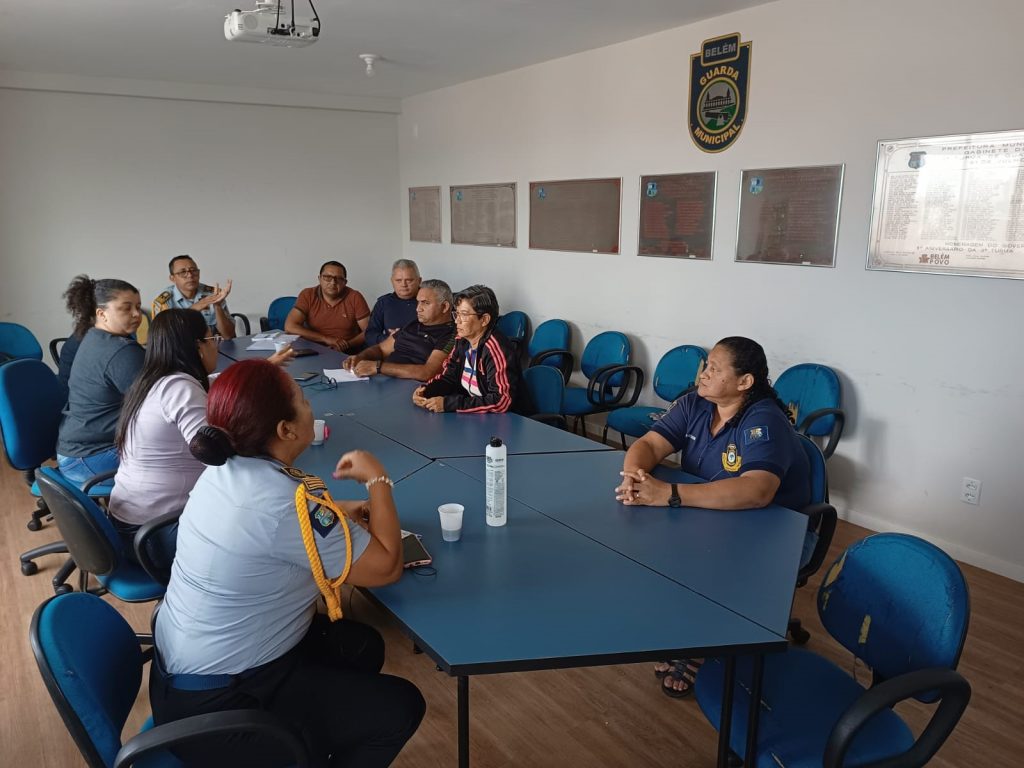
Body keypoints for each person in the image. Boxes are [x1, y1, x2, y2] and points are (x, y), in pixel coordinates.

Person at [151, 359, 425, 767]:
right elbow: (385, 568)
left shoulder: (223, 471)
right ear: (286, 430)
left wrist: (336, 515)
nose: (308, 403)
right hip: (221, 711)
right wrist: (378, 481)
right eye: (300, 398)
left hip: (182, 675)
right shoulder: (284, 507)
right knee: (401, 706)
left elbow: (280, 527)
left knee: (360, 646)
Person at [614, 336, 810, 698]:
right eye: (705, 366)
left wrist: (669, 494)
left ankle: (700, 645)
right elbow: (651, 445)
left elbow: (757, 491)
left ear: (744, 382)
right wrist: (634, 475)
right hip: (713, 513)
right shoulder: (696, 404)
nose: (703, 374)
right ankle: (688, 629)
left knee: (702, 557)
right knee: (659, 542)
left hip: (773, 528)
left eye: (715, 369)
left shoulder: (763, 420)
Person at [108, 309, 295, 558]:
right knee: (270, 530)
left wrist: (264, 365)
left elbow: (213, 381)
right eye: (213, 340)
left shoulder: (153, 380)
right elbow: (218, 457)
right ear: (198, 347)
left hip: (132, 520)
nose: (215, 347)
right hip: (157, 533)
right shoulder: (181, 389)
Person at [56, 276, 146, 485]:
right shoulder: (121, 350)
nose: (136, 314)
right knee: (180, 458)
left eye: (138, 307)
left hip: (73, 450)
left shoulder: (94, 337)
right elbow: (158, 404)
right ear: (101, 313)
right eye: (126, 308)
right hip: (90, 457)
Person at [412, 284, 530, 414]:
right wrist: (427, 390)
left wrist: (448, 404)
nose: (457, 321)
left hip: (508, 421)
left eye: (464, 314)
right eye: (456, 314)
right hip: (476, 416)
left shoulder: (496, 349)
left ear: (484, 319)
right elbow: (448, 377)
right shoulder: (462, 341)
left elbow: (502, 401)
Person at [343, 279, 455, 381]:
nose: (418, 308)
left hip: (410, 389)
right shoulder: (413, 324)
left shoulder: (450, 334)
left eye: (426, 303)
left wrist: (378, 367)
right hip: (382, 380)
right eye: (418, 302)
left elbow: (428, 372)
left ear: (444, 307)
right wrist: (360, 358)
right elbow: (381, 349)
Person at [286, 260, 371, 353]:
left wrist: (346, 345)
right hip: (312, 349)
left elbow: (369, 331)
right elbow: (290, 326)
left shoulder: (355, 297)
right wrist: (325, 338)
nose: (333, 282)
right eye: (327, 277)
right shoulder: (308, 294)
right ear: (319, 278)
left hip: (345, 352)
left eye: (338, 279)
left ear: (345, 282)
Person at [152, 255, 236, 340]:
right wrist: (193, 310)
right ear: (172, 278)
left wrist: (217, 306)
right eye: (183, 272)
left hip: (214, 348)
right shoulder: (163, 302)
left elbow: (228, 335)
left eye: (193, 270)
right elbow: (164, 339)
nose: (190, 275)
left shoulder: (213, 294)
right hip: (181, 351)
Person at [365, 259, 421, 347]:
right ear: (392, 281)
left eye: (409, 280)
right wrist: (390, 339)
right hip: (390, 352)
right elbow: (370, 335)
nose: (403, 284)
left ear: (419, 281)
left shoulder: (429, 301)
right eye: (398, 280)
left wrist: (407, 339)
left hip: (421, 354)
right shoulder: (383, 303)